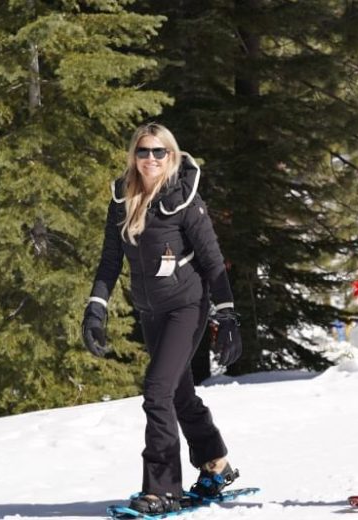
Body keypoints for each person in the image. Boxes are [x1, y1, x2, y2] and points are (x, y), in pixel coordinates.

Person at [82, 123, 243, 515]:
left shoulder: (183, 198)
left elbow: (211, 259)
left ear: (171, 156)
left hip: (186, 306)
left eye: (159, 152)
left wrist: (227, 315)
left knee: (157, 391)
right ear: (132, 156)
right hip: (150, 310)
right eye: (143, 152)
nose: (150, 159)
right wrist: (96, 308)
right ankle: (216, 464)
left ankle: (162, 489)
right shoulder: (122, 199)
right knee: (178, 392)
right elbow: (108, 262)